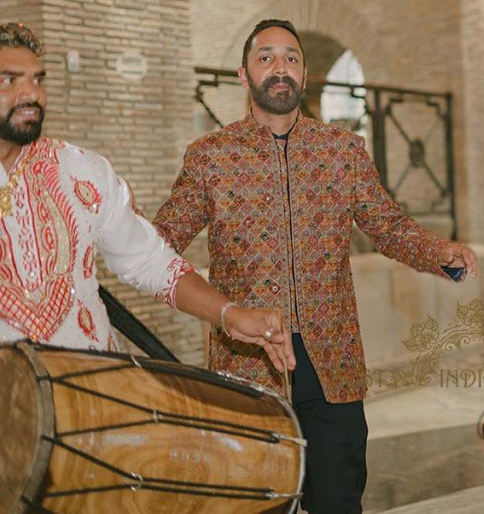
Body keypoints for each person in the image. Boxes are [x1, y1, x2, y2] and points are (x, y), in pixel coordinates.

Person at [153, 18, 477, 514]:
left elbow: (386, 226)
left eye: (291, 58)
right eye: (266, 58)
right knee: (255, 503)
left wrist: (438, 252)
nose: (279, 68)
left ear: (304, 76)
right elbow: (160, 244)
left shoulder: (342, 151)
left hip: (334, 366)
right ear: (244, 75)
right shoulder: (209, 159)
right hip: (248, 367)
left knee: (338, 500)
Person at [0, 23, 294, 371]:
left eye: (38, 79)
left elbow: (151, 261)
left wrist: (229, 315)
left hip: (96, 394)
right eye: (9, 80)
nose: (31, 94)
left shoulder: (84, 172)